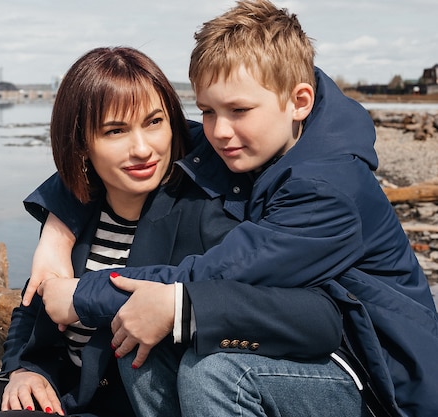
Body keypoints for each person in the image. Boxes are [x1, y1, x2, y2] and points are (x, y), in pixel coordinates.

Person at [26, 1, 438, 416]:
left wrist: (85, 293)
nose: (220, 131)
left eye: (238, 110)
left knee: (218, 372)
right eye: (207, 110)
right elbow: (136, 150)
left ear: (300, 101)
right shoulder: (264, 138)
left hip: (377, 383)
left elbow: (221, 271)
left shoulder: (326, 190)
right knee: (144, 346)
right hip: (300, 348)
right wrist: (58, 227)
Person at [0, 46, 341, 417]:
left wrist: (178, 309)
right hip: (63, 385)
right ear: (82, 145)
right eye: (115, 131)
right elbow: (36, 299)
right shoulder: (82, 208)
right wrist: (24, 369)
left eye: (154, 123)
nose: (142, 148)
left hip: (131, 399)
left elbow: (291, 311)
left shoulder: (207, 211)